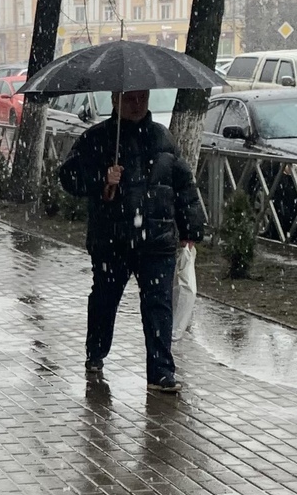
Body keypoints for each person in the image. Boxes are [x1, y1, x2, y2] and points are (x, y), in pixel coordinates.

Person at [59, 90, 206, 394]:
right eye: (130, 99)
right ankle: (96, 352)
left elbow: (183, 185)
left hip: (157, 240)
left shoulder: (162, 138)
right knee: (104, 299)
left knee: (158, 305)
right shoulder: (98, 138)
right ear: (115, 101)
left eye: (142, 98)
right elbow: (69, 177)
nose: (137, 104)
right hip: (112, 240)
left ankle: (161, 371)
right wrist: (102, 177)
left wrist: (191, 229)